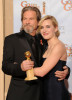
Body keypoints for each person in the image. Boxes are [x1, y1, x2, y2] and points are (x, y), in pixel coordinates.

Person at [2, 6, 70, 100]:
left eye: (31, 19)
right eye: (25, 18)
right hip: (21, 94)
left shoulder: (45, 38)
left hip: (42, 93)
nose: (27, 22)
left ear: (38, 22)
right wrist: (20, 67)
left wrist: (66, 70)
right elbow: (5, 66)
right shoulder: (12, 39)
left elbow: (52, 61)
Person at [33, 15, 70, 100]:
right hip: (44, 91)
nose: (44, 30)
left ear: (56, 28)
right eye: (42, 27)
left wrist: (21, 69)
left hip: (55, 93)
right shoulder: (46, 46)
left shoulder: (58, 46)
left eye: (48, 27)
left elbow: (42, 72)